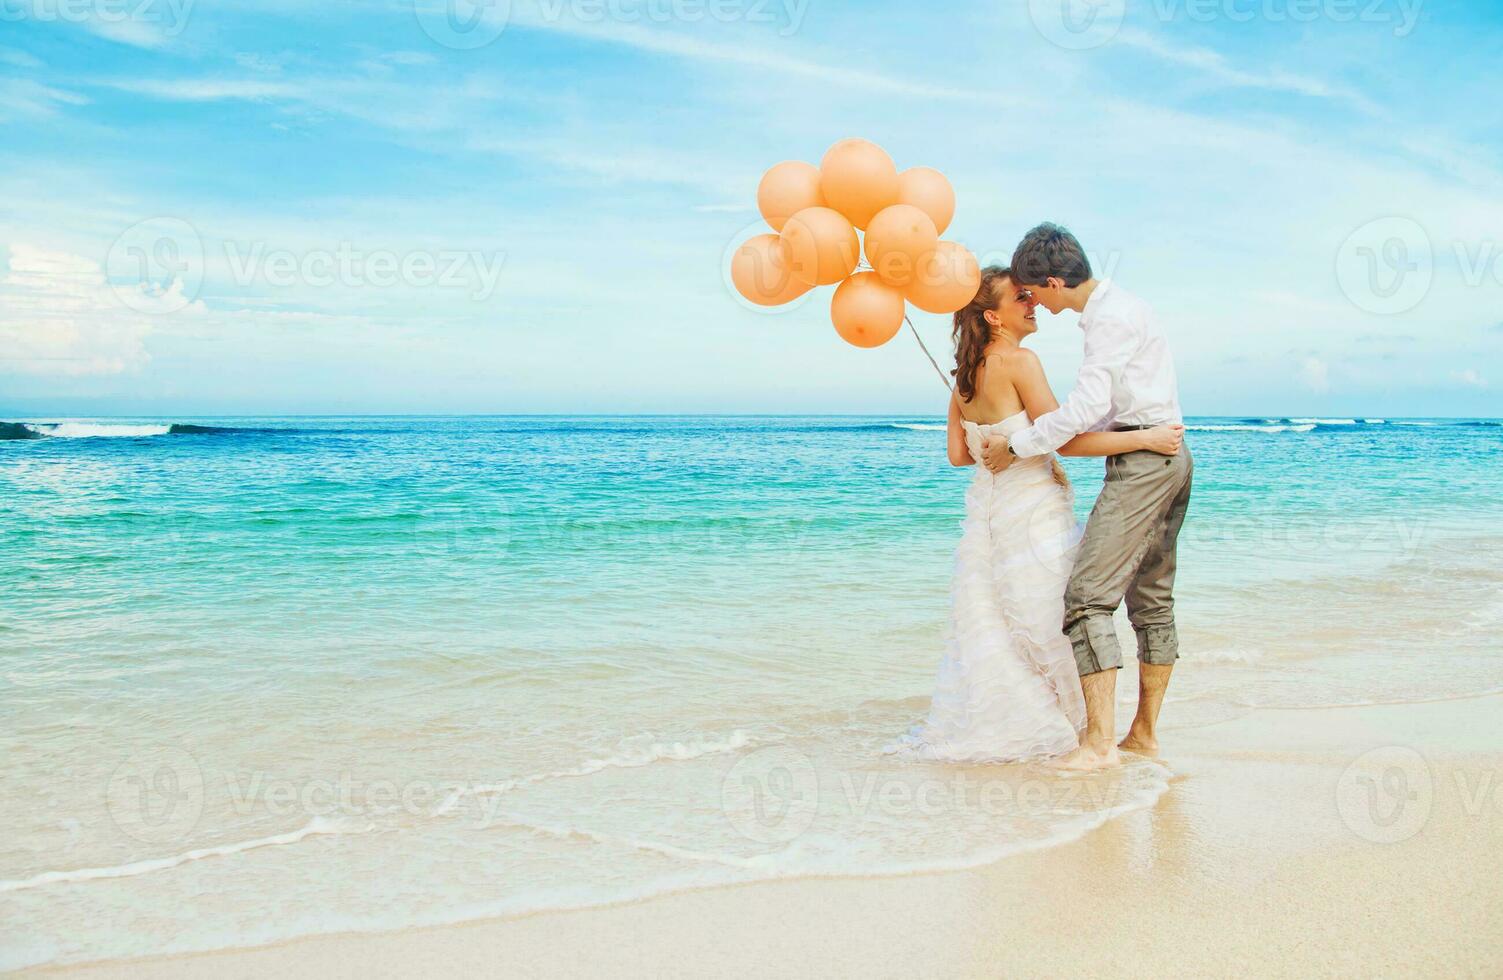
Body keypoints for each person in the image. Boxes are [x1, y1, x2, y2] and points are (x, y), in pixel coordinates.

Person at [888, 265, 1183, 763]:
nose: (1030, 303)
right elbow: (1065, 441)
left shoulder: (962, 379)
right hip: (1034, 510)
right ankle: (1086, 734)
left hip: (989, 510)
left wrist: (998, 445)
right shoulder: (1021, 362)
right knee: (1052, 610)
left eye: (1030, 294)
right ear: (994, 317)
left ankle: (1026, 723)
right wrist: (1143, 438)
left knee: (995, 616)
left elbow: (960, 458)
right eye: (1019, 298)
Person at [983, 223, 1192, 771]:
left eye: (1033, 292)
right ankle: (1141, 737)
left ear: (1054, 282)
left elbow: (1086, 406)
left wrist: (1023, 443)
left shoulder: (1108, 319)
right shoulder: (1124, 307)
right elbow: (1103, 408)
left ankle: (1099, 744)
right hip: (1165, 452)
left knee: (1086, 597)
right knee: (1151, 600)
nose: (1033, 303)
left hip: (1147, 463)